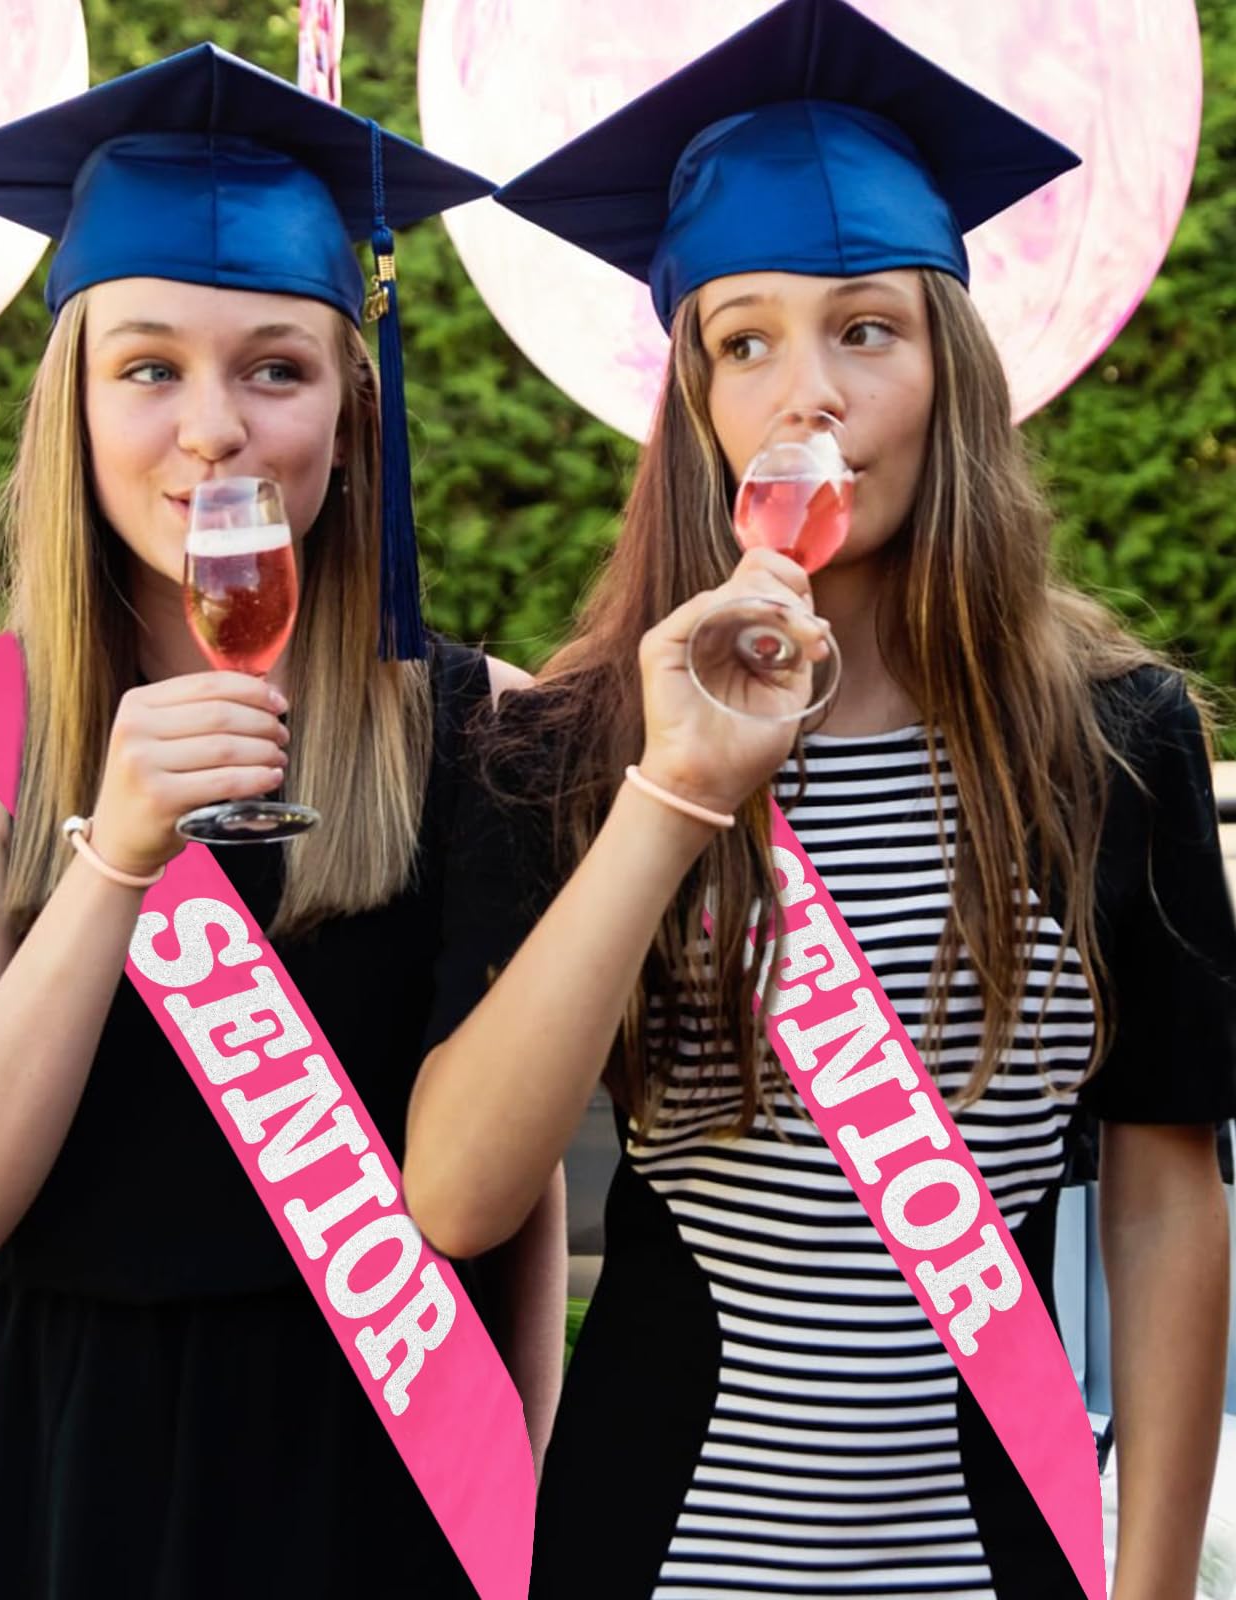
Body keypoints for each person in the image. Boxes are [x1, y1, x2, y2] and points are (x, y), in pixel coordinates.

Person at [402, 2, 1236, 1596]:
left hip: (1004, 1543)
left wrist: (1156, 1585)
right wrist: (675, 788)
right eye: (746, 340)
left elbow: (1163, 1197)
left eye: (866, 330)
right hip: (664, 1540)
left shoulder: (1114, 743)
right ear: (698, 405)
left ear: (951, 371)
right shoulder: (570, 746)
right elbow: (457, 1190)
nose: (809, 395)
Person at [0, 44, 563, 1600]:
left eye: (274, 367)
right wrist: (111, 859)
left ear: (348, 405)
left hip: (374, 1464)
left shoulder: (476, 726)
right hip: (53, 1478)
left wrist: (514, 1493)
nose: (212, 430)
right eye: (149, 368)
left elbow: (509, 1209)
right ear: (75, 404)